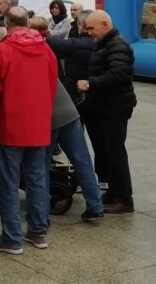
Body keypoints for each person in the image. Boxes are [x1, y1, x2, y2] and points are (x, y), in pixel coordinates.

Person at [0, 7, 58, 254]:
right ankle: (38, 231)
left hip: (11, 124)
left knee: (8, 180)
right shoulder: (46, 49)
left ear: (6, 24)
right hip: (39, 123)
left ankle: (12, 237)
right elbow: (52, 86)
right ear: (27, 23)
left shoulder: (2, 51)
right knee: (38, 177)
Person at [79, 10, 137, 213]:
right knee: (106, 151)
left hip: (116, 106)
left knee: (115, 152)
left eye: (91, 28)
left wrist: (91, 84)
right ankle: (113, 191)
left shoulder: (117, 44)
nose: (88, 33)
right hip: (105, 106)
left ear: (105, 24)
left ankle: (124, 198)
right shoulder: (105, 43)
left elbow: (119, 73)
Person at [49, 68, 105, 224]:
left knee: (39, 164)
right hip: (70, 112)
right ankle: (95, 206)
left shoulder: (18, 59)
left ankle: (38, 212)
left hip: (49, 117)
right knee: (82, 160)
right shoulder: (43, 54)